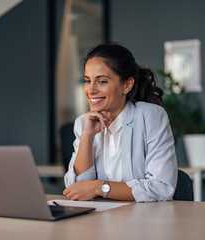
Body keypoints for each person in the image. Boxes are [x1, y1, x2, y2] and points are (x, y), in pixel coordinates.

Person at [63, 43, 177, 202]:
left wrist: (99, 187)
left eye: (102, 81)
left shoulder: (150, 116)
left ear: (127, 85)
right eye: (87, 80)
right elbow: (78, 189)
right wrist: (87, 137)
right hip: (99, 220)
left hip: (145, 220)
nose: (91, 90)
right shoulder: (83, 123)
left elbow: (161, 187)